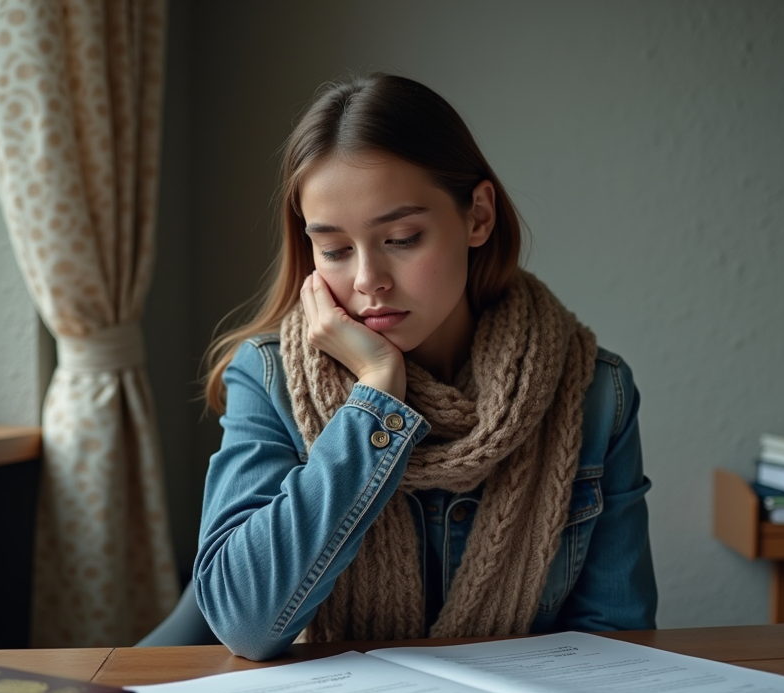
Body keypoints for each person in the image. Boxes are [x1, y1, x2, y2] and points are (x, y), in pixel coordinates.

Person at [163, 73, 655, 660]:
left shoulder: (596, 393)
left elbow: (617, 645)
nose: (368, 279)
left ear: (477, 216)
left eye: (401, 237)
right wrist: (375, 401)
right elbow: (244, 621)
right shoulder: (269, 379)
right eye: (336, 250)